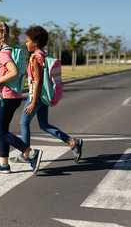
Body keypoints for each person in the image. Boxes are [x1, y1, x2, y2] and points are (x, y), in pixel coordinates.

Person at [10, 26, 83, 164]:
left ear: (35, 42)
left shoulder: (36, 58)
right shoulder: (43, 55)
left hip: (36, 96)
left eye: (27, 41)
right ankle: (73, 142)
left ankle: (27, 154)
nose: (26, 43)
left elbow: (37, 82)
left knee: (24, 122)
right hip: (43, 97)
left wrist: (32, 102)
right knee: (44, 125)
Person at [0, 21, 42, 175]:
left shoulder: (4, 53)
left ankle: (30, 153)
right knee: (3, 130)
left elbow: (15, 72)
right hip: (13, 96)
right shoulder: (10, 50)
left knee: (1, 132)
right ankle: (4, 164)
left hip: (8, 97)